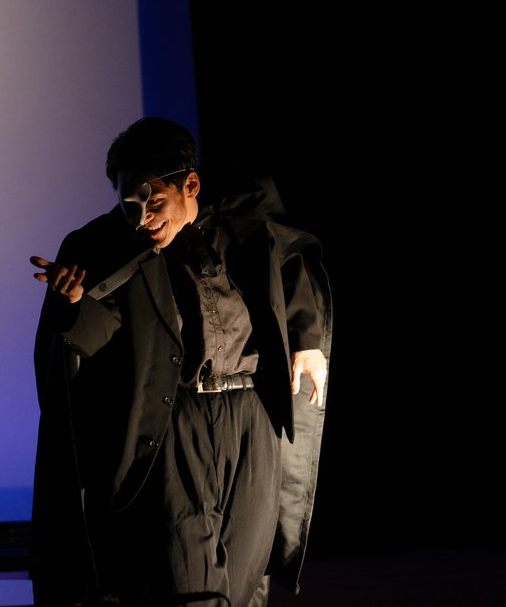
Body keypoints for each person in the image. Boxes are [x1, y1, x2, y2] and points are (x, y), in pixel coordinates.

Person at [29, 118, 331, 607]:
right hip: (176, 422)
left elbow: (291, 264)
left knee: (246, 579)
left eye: (153, 203)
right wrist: (72, 304)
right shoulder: (107, 246)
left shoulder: (244, 225)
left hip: (251, 417)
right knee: (189, 580)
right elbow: (93, 336)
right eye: (128, 205)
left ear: (190, 185)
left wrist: (307, 340)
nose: (141, 219)